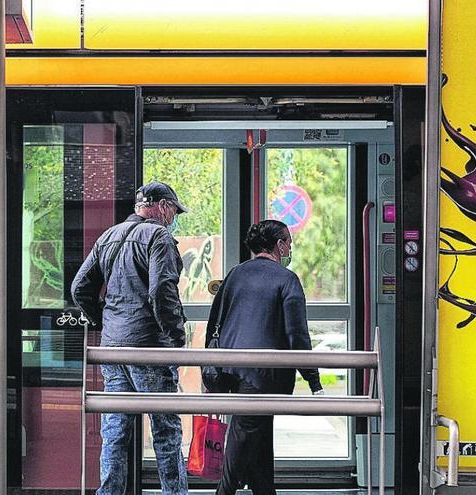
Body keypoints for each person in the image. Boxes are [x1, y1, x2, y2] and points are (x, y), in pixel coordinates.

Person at [71, 181, 189, 495]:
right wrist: (176, 337)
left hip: (112, 349)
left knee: (114, 433)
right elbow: (162, 291)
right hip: (149, 348)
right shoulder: (158, 235)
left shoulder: (108, 237)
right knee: (166, 432)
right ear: (163, 207)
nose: (173, 218)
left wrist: (104, 320)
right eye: (174, 211)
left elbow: (79, 288)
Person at [209, 220, 323, 495]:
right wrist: (313, 379)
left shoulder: (235, 274)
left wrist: (211, 367)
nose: (291, 245)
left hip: (232, 369)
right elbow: (297, 335)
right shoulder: (286, 279)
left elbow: (217, 320)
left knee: (258, 436)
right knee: (244, 437)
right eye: (288, 240)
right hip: (264, 374)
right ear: (278, 245)